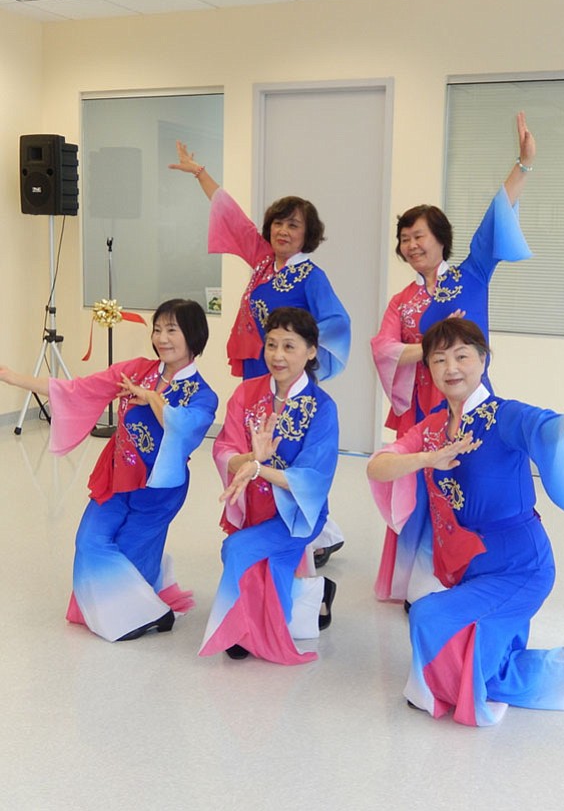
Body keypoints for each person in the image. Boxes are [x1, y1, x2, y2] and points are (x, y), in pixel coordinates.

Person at [367, 317, 564, 727]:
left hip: (521, 565)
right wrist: (425, 459)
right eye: (439, 359)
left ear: (483, 361)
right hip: (472, 567)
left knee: (431, 618)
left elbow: (554, 428)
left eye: (462, 356)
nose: (451, 368)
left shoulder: (505, 415)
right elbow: (378, 468)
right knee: (476, 651)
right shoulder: (432, 427)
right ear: (428, 369)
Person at [371, 111, 535, 602]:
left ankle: (471, 570)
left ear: (441, 237)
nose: (412, 244)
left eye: (419, 235)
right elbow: (381, 348)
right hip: (422, 408)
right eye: (404, 239)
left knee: (468, 482)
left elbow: (493, 219)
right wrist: (425, 351)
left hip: (466, 400)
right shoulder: (401, 301)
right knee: (419, 487)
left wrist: (522, 166)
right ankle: (417, 582)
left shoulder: (471, 275)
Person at [170, 142, 349, 567]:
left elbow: (337, 324)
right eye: (279, 224)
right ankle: (278, 520)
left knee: (292, 453)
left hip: (289, 376)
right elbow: (234, 219)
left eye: (294, 226)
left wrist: (300, 355)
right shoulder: (264, 262)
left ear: (309, 235)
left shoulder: (311, 275)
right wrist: (201, 175)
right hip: (258, 370)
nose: (284, 232)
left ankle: (315, 531)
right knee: (257, 448)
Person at [0, 299, 218, 642]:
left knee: (131, 558)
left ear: (194, 335)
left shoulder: (204, 396)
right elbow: (79, 389)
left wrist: (154, 400)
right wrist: (13, 378)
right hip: (117, 477)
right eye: (158, 329)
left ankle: (147, 612)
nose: (162, 338)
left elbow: (186, 432)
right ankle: (130, 610)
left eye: (172, 330)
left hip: (158, 492)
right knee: (89, 541)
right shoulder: (138, 370)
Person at [199, 307, 339, 665]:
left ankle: (242, 629)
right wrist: (249, 459)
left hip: (295, 516)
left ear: (311, 351)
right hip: (252, 507)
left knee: (239, 549)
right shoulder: (247, 393)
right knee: (269, 566)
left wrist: (259, 469)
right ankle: (312, 596)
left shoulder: (322, 408)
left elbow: (313, 477)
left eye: (289, 346)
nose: (277, 355)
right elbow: (223, 449)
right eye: (271, 344)